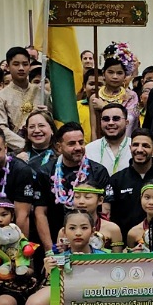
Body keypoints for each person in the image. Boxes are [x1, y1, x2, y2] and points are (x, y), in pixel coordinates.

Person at [16, 210, 107, 305]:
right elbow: (55, 292)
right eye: (72, 228)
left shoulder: (105, 258)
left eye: (84, 228)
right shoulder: (57, 260)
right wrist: (50, 272)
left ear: (92, 231)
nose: (78, 233)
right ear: (64, 232)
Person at [34, 123, 110, 254]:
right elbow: (40, 213)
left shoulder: (98, 171)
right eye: (71, 144)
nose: (78, 147)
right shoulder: (45, 172)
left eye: (81, 142)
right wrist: (49, 249)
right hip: (56, 241)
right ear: (59, 147)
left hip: (92, 243)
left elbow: (105, 209)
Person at [105, 128, 153, 237]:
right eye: (135, 145)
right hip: (126, 243)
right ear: (130, 148)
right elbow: (111, 217)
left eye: (145, 146)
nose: (139, 149)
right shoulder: (117, 180)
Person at [0, 47, 50, 151]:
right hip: (16, 151)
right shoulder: (2, 96)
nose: (21, 68)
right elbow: (1, 128)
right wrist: (25, 146)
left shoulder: (42, 93)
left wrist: (48, 115)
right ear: (8, 67)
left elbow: (53, 122)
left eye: (25, 64)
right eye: (16, 64)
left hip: (44, 148)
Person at [89, 42, 139, 140]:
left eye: (119, 73)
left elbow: (130, 120)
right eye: (110, 72)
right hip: (103, 144)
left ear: (125, 75)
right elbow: (94, 129)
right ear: (103, 73)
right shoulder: (95, 97)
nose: (115, 77)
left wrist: (103, 107)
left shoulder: (131, 96)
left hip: (127, 143)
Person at [0, 198, 37, 305]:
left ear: (12, 216)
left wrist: (20, 270)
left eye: (4, 215)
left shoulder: (20, 241)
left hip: (14, 288)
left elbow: (31, 271)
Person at [61, 182, 123, 252]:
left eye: (87, 197)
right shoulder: (65, 231)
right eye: (77, 197)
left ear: (100, 200)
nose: (81, 201)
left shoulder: (112, 229)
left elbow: (118, 257)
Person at [85, 103, 132, 175]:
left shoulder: (136, 148)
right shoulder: (89, 150)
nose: (110, 123)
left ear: (127, 123)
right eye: (106, 119)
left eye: (116, 119)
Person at [127, 180, 153, 250]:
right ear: (141, 198)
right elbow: (128, 255)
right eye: (147, 197)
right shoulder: (133, 232)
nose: (151, 202)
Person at [77, 69, 105, 144]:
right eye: (91, 84)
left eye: (100, 84)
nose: (95, 87)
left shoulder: (110, 107)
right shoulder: (76, 107)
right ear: (84, 86)